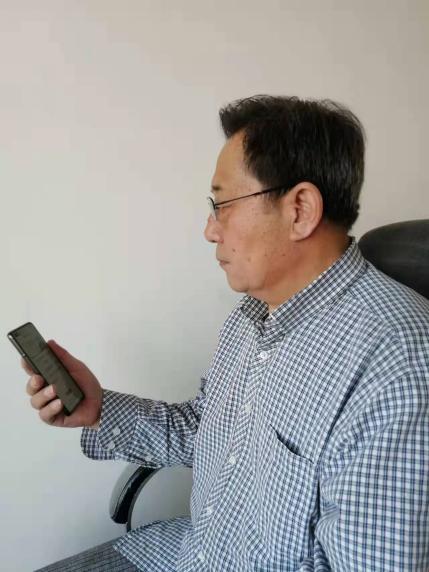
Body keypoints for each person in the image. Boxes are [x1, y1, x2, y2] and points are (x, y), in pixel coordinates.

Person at [24, 95, 429, 571]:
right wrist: (98, 409)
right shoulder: (251, 314)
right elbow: (208, 432)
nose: (210, 230)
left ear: (300, 209)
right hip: (188, 552)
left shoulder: (397, 363)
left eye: (222, 205)